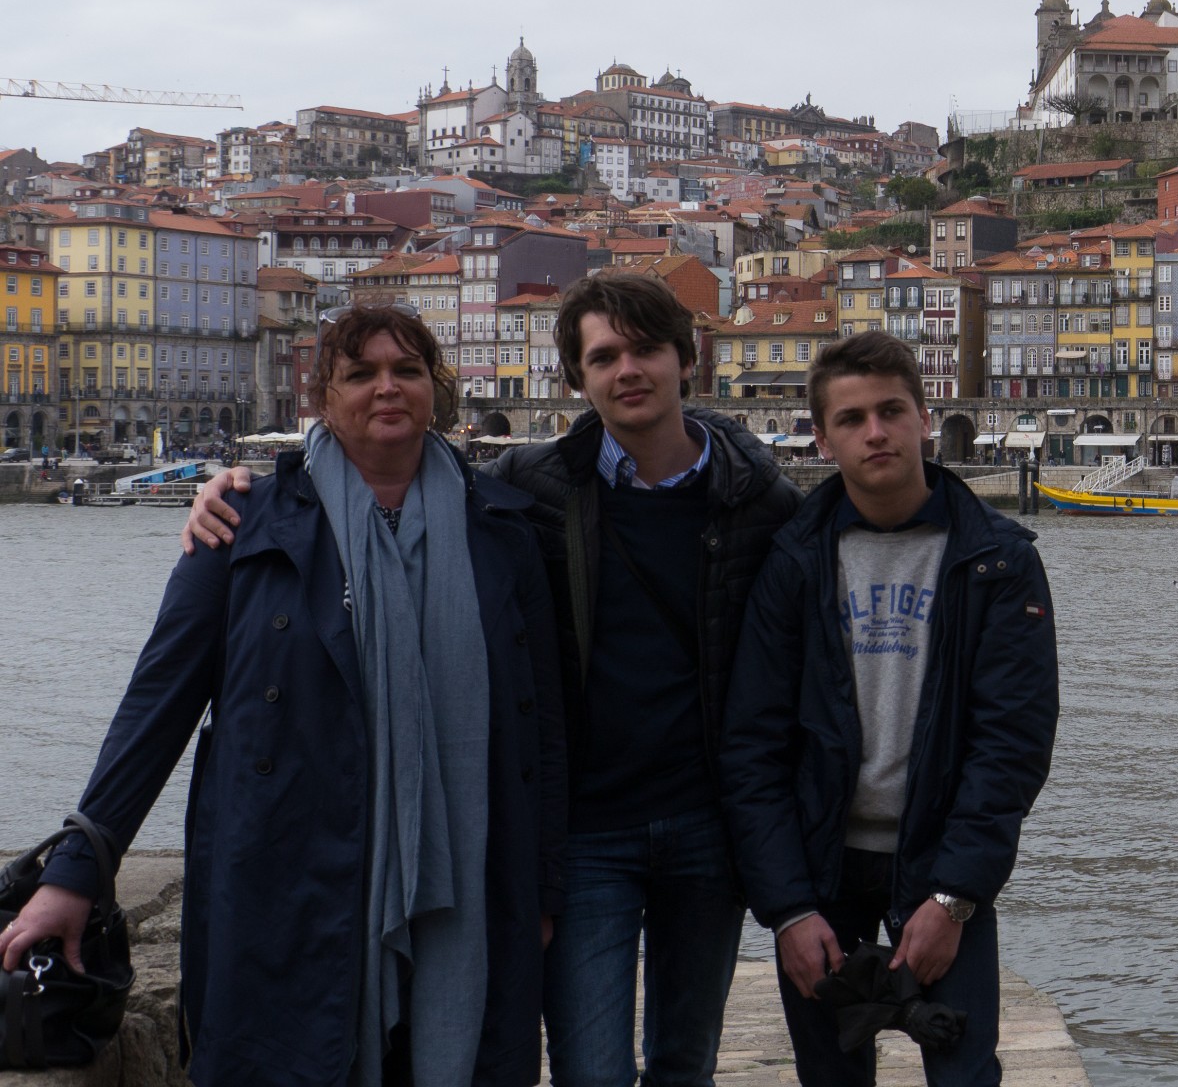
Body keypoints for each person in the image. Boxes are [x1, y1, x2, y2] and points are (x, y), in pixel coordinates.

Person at [184, 274, 801, 1087]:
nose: (627, 371)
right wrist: (230, 487)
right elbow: (428, 492)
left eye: (646, 350)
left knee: (686, 1063)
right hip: (590, 829)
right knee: (590, 1071)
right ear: (576, 378)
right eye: (603, 357)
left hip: (707, 823)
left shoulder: (763, 500)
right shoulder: (533, 490)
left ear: (687, 360)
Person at [3, 305, 565, 1087]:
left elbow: (543, 729)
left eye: (406, 371)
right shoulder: (241, 527)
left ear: (434, 388)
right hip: (286, 888)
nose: (387, 388)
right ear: (322, 399)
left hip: (470, 888)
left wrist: (542, 890)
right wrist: (75, 872)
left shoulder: (502, 531)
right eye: (360, 374)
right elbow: (155, 708)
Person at [723, 331, 1058, 1087]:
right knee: (830, 1076)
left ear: (924, 419)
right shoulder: (793, 562)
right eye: (851, 419)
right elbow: (752, 746)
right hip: (822, 866)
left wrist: (955, 896)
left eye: (891, 411)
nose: (874, 432)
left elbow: (1011, 742)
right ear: (823, 439)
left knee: (963, 1073)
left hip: (938, 854)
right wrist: (788, 909)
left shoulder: (998, 560)